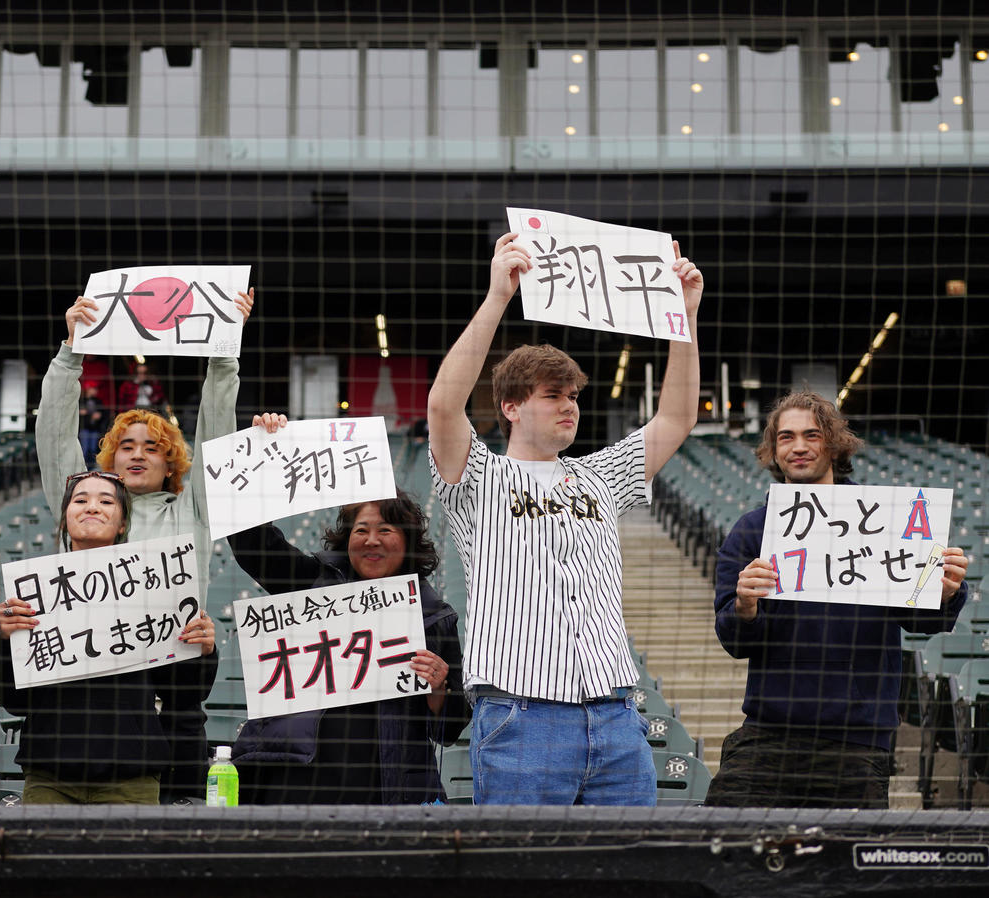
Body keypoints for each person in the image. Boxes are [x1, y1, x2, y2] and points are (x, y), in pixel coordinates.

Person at [426, 232, 703, 806]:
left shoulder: (601, 474)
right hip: (522, 715)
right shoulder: (477, 477)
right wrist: (498, 297)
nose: (570, 404)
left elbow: (675, 419)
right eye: (553, 395)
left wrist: (684, 319)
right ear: (511, 406)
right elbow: (442, 406)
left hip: (616, 716)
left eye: (574, 394)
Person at [35, 288, 252, 799]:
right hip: (89, 701)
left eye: (152, 448)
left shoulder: (192, 511)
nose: (137, 455)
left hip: (172, 703)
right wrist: (70, 355)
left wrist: (224, 353)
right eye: (125, 446)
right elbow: (53, 434)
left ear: (171, 460)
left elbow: (217, 431)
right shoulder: (85, 508)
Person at [704, 391, 968, 809]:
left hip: (858, 742)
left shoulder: (884, 519)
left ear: (835, 443)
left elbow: (922, 621)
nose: (800, 447)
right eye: (787, 437)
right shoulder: (752, 530)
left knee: (846, 870)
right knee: (724, 849)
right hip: (769, 733)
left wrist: (947, 590)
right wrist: (744, 607)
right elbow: (735, 642)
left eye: (812, 435)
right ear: (773, 449)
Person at [226, 413, 469, 804]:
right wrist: (261, 451)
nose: (371, 541)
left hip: (387, 794)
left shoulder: (435, 617)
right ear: (346, 539)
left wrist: (440, 687)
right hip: (293, 789)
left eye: (385, 531)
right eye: (361, 530)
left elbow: (450, 729)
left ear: (408, 544)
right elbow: (252, 542)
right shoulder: (312, 581)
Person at [0, 470, 217, 805]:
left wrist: (203, 649)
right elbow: (14, 699)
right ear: (65, 519)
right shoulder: (33, 593)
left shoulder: (155, 588)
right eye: (80, 500)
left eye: (106, 501)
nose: (92, 507)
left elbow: (184, 693)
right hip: (50, 774)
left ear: (123, 523)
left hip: (131, 777)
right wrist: (4, 641)